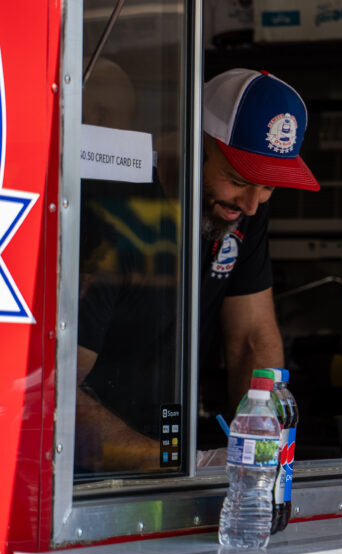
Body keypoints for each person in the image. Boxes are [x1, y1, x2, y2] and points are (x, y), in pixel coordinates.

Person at [75, 69, 320, 473]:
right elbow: (55, 395)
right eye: (238, 179)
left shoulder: (243, 209)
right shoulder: (110, 211)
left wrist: (263, 449)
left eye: (269, 187)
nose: (253, 204)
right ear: (193, 142)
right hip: (90, 471)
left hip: (173, 458)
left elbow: (251, 338)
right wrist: (179, 462)